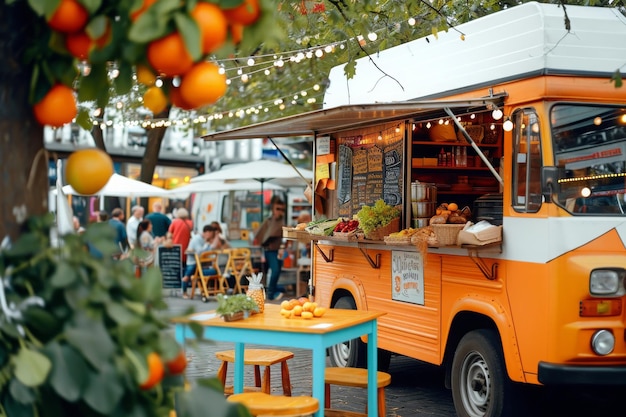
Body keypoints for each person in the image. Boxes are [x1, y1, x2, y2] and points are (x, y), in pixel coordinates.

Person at [254, 197, 287, 301]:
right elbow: (260, 235)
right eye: (278, 209)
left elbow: (285, 236)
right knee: (268, 272)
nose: (280, 212)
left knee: (276, 271)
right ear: (273, 209)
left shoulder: (283, 221)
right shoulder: (268, 221)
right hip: (267, 250)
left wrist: (284, 247)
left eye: (282, 209)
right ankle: (268, 293)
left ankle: (271, 292)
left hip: (278, 250)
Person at [181, 224, 220, 299]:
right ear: (207, 233)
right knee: (187, 276)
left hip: (201, 263)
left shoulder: (204, 239)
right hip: (193, 262)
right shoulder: (197, 239)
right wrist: (206, 244)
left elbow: (211, 248)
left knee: (208, 272)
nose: (211, 237)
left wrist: (216, 236)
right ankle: (184, 292)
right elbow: (200, 252)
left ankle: (203, 291)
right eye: (211, 234)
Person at [167, 207, 194, 272]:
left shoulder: (174, 222)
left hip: (176, 247)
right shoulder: (190, 223)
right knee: (186, 264)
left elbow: (169, 235)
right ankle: (185, 278)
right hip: (187, 247)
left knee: (177, 267)